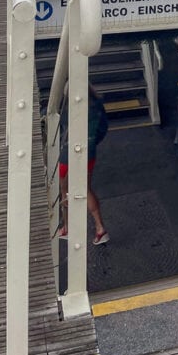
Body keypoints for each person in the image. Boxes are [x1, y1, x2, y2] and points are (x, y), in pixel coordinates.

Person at [59, 86, 110, 246]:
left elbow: (60, 130)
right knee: (86, 189)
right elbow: (103, 129)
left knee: (64, 191)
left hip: (67, 156)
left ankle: (67, 228)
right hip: (89, 153)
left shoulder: (67, 108)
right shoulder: (97, 106)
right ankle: (100, 228)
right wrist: (92, 143)